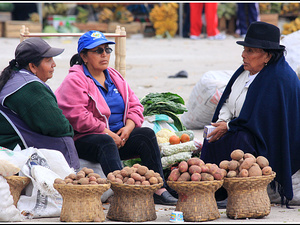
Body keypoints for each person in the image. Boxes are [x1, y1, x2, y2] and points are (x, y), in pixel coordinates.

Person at [55, 30, 178, 205]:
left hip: (119, 137)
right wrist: (107, 133)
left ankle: (159, 189)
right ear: (84, 56)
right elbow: (78, 116)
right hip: (86, 139)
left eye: (107, 50)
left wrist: (128, 128)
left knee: (146, 135)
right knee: (105, 142)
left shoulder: (114, 76)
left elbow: (136, 106)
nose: (104, 55)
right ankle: (124, 192)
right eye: (98, 51)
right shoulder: (75, 79)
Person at [200, 21, 300, 206]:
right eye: (245, 49)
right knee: (213, 138)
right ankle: (212, 189)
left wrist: (229, 126)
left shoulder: (279, 78)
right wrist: (223, 121)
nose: (243, 55)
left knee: (242, 141)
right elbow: (227, 100)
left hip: (267, 139)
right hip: (240, 126)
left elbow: (263, 118)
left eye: (250, 51)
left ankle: (237, 191)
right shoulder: (245, 72)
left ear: (267, 56)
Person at [0, 37, 80, 170]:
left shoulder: (16, 77)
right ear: (32, 66)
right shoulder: (30, 87)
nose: (53, 64)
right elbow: (58, 127)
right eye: (48, 60)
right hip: (18, 151)